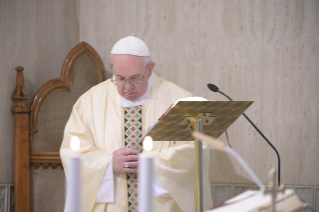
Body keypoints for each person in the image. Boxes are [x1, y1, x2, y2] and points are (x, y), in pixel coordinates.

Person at [60, 36, 212, 212]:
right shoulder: (90, 101)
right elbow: (72, 152)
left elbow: (194, 152)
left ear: (150, 69)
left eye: (135, 78)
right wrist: (108, 163)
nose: (127, 87)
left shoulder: (180, 100)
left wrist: (151, 164)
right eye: (120, 78)